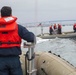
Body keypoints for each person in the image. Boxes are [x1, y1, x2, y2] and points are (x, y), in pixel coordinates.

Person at [0, 6, 36, 75]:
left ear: (1, 15)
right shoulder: (18, 27)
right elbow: (31, 37)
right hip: (14, 60)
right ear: (11, 14)